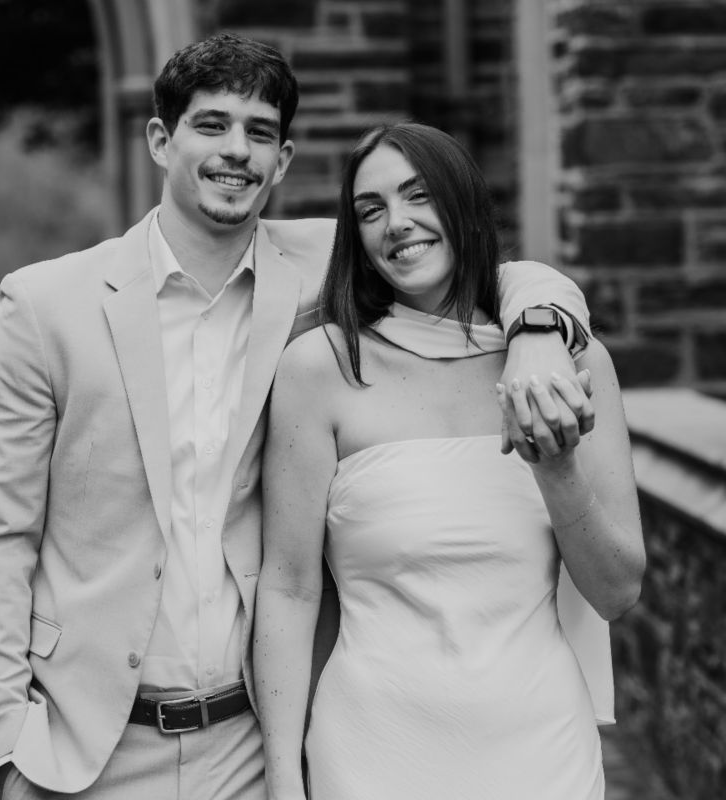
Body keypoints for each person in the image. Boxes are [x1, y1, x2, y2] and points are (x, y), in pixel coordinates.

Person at [0, 34, 594, 800]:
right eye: (211, 125)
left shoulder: (328, 269)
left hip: (254, 744)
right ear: (160, 140)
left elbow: (491, 266)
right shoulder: (46, 305)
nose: (237, 150)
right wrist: (4, 749)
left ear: (282, 161)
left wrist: (539, 330)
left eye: (259, 133)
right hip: (85, 751)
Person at [254, 122, 645, 800]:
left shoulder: (570, 366)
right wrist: (284, 774)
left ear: (463, 202)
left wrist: (556, 469)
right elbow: (289, 587)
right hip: (371, 752)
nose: (396, 224)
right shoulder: (319, 369)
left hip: (540, 751)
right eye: (370, 210)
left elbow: (616, 591)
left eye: (418, 195)